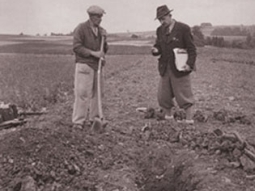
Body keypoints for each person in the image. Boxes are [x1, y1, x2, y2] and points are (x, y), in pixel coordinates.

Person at [151, 5, 197, 124]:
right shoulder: (160, 30)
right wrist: (155, 50)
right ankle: (168, 118)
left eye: (163, 18)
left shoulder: (183, 28)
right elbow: (158, 46)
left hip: (180, 67)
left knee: (184, 95)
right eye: (160, 19)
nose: (162, 21)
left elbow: (192, 49)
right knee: (163, 95)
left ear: (170, 16)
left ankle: (189, 120)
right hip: (165, 68)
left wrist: (189, 64)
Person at [72, 5, 108, 129]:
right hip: (84, 66)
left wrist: (105, 38)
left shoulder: (101, 31)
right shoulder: (81, 28)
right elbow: (76, 47)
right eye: (98, 16)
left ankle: (95, 119)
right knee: (82, 94)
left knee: (97, 94)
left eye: (101, 17)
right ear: (91, 16)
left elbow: (104, 50)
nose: (100, 19)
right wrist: (93, 53)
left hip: (97, 67)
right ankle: (78, 122)